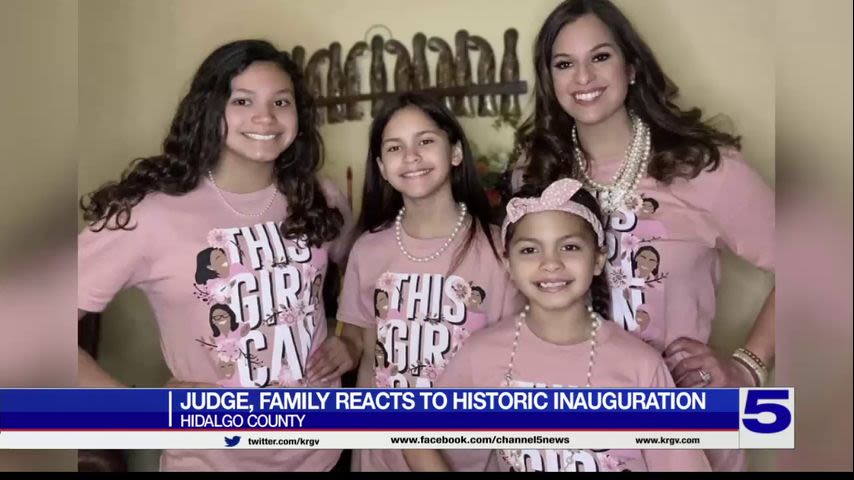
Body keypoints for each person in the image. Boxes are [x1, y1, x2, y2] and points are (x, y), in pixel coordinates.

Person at [511, 1, 774, 470]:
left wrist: (748, 366)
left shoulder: (703, 168)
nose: (583, 77)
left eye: (600, 57)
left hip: (685, 428)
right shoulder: (535, 175)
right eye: (564, 64)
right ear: (551, 81)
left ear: (631, 67)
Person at [77, 39, 354, 471]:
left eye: (281, 101)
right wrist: (137, 408)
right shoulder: (150, 214)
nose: (265, 116)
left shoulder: (320, 196)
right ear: (210, 110)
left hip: (326, 453)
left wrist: (352, 339)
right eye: (242, 100)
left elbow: (369, 269)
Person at [404, 178, 711, 472]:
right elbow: (418, 439)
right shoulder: (481, 356)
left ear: (598, 259)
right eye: (529, 249)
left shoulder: (641, 367)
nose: (550, 263)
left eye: (569, 247)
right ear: (508, 263)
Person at [334, 93, 524, 471]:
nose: (411, 156)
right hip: (381, 458)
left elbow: (513, 367)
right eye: (394, 147)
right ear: (382, 167)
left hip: (469, 458)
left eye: (425, 141)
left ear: (455, 153)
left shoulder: (499, 249)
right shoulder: (368, 249)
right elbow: (359, 344)